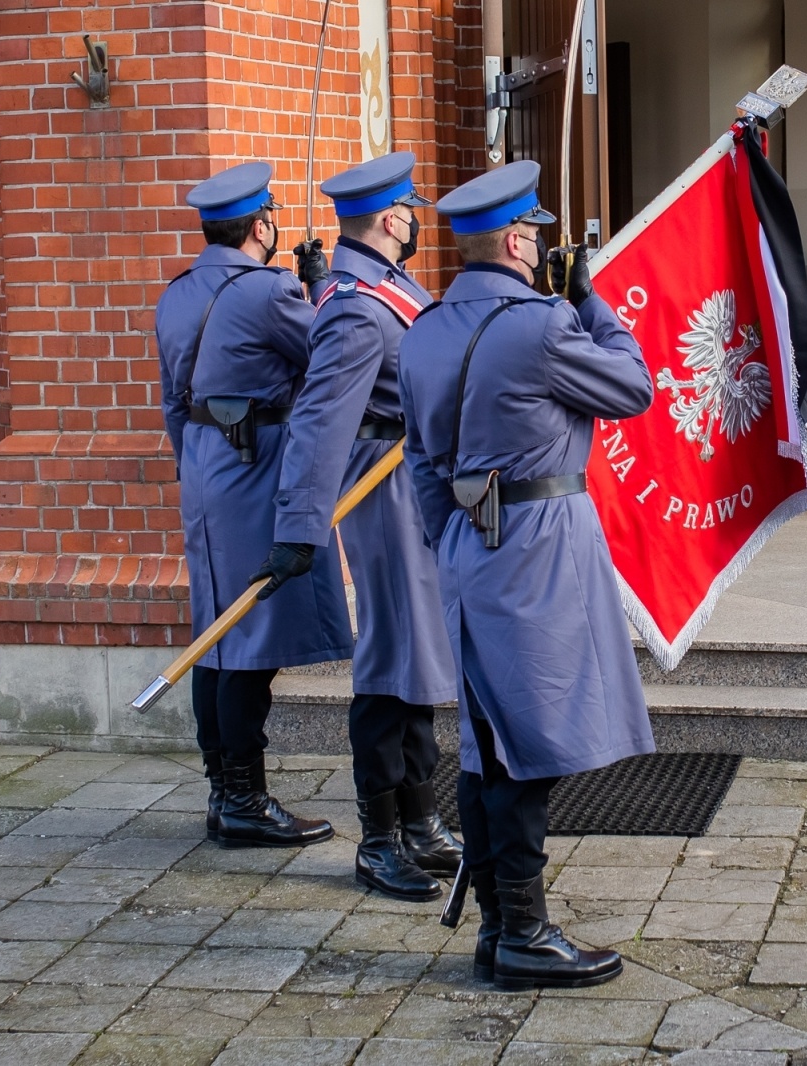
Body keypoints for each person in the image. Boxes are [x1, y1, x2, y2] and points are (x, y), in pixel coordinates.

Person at [397, 160, 656, 989]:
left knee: (485, 742)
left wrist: (454, 542)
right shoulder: (544, 323)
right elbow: (633, 387)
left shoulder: (426, 328)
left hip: (471, 545)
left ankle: (499, 927)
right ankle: (525, 934)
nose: (542, 247)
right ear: (516, 240)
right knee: (523, 747)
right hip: (539, 546)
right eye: (537, 236)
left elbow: (423, 463)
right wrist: (588, 299)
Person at [280, 152, 462, 902]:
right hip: (384, 494)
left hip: (412, 483)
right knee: (391, 665)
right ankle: (379, 841)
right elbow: (321, 420)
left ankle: (420, 821)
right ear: (392, 219)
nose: (415, 219)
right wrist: (300, 525)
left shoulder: (375, 287)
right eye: (410, 210)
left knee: (418, 659)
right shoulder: (360, 304)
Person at [155, 161, 343, 850]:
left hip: (206, 469)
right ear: (262, 226)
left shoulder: (177, 293)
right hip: (254, 466)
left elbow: (174, 404)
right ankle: (243, 799)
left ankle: (223, 790)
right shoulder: (267, 290)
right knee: (247, 637)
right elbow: (330, 354)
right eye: (272, 218)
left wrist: (195, 466)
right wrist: (320, 285)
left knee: (216, 633)